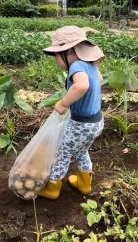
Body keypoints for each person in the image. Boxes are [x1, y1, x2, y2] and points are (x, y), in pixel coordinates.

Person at [38, 26, 105, 199]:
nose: (55, 60)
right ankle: (84, 183)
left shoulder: (76, 67)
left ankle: (53, 188)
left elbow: (81, 86)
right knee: (81, 151)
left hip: (81, 125)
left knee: (62, 152)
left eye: (56, 55)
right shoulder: (90, 65)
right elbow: (99, 80)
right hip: (96, 121)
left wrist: (63, 103)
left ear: (68, 52)